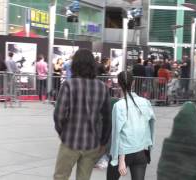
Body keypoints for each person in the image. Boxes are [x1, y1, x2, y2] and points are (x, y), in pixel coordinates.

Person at [53, 49, 112, 180]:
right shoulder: (102, 87)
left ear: (75, 65)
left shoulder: (68, 85)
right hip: (91, 143)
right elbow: (108, 118)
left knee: (60, 176)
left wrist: (62, 133)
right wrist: (103, 142)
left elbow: (59, 115)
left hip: (70, 141)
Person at [107, 71, 155, 180]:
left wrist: (119, 159)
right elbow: (150, 127)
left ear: (119, 84)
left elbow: (117, 134)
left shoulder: (118, 106)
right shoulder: (145, 102)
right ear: (133, 83)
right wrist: (148, 146)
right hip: (142, 151)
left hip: (124, 153)